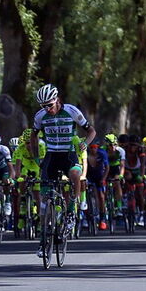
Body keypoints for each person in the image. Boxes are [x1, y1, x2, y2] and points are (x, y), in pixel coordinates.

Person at [31, 83, 95, 253]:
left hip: (68, 154)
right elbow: (33, 135)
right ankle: (43, 241)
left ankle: (72, 210)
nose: (47, 109)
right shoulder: (40, 116)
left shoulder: (72, 111)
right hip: (51, 156)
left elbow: (91, 131)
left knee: (75, 174)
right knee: (44, 200)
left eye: (49, 105)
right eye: (43, 106)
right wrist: (37, 157)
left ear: (57, 100)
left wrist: (84, 144)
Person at [12, 129, 45, 231]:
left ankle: (40, 219)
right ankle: (23, 205)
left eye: (31, 142)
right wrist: (18, 176)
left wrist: (40, 177)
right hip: (26, 168)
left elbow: (43, 165)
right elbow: (17, 165)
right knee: (22, 180)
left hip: (37, 167)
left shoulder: (41, 147)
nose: (29, 145)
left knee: (37, 194)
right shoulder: (20, 149)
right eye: (26, 143)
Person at [86, 134, 112, 230]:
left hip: (100, 176)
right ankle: (87, 216)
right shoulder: (86, 153)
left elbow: (107, 168)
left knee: (101, 196)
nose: (94, 149)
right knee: (87, 195)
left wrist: (103, 179)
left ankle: (102, 219)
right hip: (89, 175)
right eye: (92, 147)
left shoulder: (102, 153)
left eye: (96, 147)